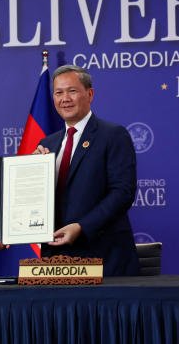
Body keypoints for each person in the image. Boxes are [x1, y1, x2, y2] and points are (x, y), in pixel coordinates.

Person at [35, 65, 139, 276]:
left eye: (72, 91)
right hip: (56, 259)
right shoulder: (47, 144)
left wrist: (81, 226)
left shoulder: (113, 135)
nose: (65, 98)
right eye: (58, 92)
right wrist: (35, 174)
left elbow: (122, 193)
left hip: (104, 257)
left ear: (89, 94)